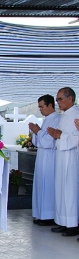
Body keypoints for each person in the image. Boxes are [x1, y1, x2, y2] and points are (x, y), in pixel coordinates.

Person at [47, 87, 79, 236]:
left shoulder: (76, 114)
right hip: (61, 157)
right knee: (60, 190)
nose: (57, 102)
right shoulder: (64, 116)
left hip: (70, 158)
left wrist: (60, 135)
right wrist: (56, 135)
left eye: (60, 99)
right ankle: (62, 221)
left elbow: (75, 138)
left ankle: (72, 224)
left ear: (70, 99)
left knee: (69, 191)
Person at [28, 94, 60, 226]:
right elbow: (39, 141)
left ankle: (49, 215)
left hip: (50, 157)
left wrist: (38, 131)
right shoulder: (47, 119)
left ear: (50, 105)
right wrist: (35, 132)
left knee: (48, 185)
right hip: (42, 156)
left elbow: (49, 142)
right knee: (41, 184)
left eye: (42, 106)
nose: (40, 109)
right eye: (39, 107)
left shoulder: (57, 119)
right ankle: (41, 214)